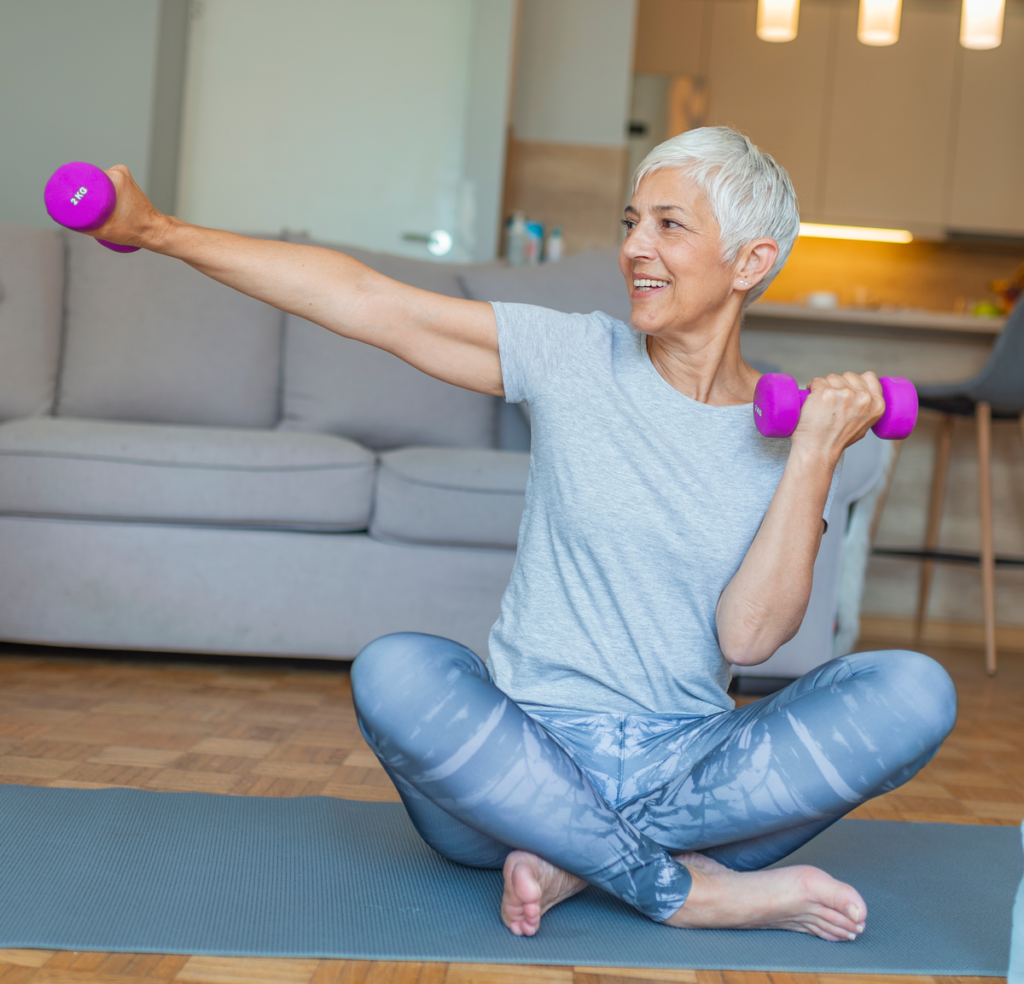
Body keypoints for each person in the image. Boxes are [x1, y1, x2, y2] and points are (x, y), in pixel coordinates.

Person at [93, 126, 956, 942]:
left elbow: (751, 637)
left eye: (668, 225)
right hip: (516, 764)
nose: (633, 249)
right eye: (630, 223)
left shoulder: (795, 431)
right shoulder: (575, 356)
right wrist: (158, 230)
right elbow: (367, 302)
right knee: (395, 669)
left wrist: (811, 456)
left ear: (751, 261)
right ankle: (679, 890)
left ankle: (582, 861)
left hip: (690, 765)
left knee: (916, 690)